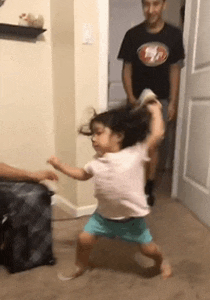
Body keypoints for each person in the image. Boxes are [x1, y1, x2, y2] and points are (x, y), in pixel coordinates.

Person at [47, 93, 173, 280]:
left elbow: (157, 135)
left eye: (99, 133)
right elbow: (81, 175)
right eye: (93, 135)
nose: (93, 139)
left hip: (131, 221)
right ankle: (81, 264)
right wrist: (60, 166)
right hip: (103, 217)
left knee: (149, 249)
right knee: (83, 239)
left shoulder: (135, 154)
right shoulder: (96, 163)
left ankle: (161, 261)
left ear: (119, 136)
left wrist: (155, 111)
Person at [117, 0, 185, 206]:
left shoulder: (174, 35)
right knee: (135, 144)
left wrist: (173, 102)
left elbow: (175, 70)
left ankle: (148, 187)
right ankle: (133, 185)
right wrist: (130, 98)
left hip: (162, 99)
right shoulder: (133, 35)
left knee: (153, 146)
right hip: (137, 100)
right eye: (146, 5)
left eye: (156, 4)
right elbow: (127, 68)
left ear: (163, 5)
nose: (150, 10)